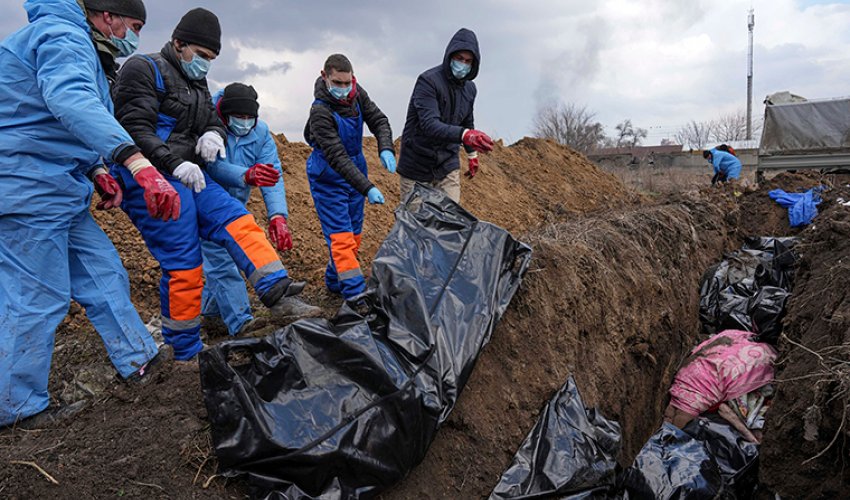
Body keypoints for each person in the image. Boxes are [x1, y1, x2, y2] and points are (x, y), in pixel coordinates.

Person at [0, 0, 181, 427]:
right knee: (37, 298)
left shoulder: (80, 45)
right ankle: (17, 407)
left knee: (103, 272)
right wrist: (136, 162)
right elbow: (70, 101)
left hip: (58, 187)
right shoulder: (64, 36)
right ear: (107, 17)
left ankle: (139, 360)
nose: (132, 35)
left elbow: (52, 121)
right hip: (25, 185)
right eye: (132, 25)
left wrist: (98, 169)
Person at [111, 8, 320, 361]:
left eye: (212, 58)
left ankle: (279, 294)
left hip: (190, 174)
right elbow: (134, 129)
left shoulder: (196, 82)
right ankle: (186, 352)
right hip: (150, 177)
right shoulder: (142, 69)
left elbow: (211, 119)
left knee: (238, 220)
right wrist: (173, 163)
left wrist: (212, 132)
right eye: (203, 55)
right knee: (185, 264)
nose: (206, 64)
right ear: (179, 44)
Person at [304, 54, 395, 304]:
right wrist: (367, 188)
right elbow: (336, 156)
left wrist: (385, 146)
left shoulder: (357, 94)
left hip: (356, 168)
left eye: (347, 83)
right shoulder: (320, 111)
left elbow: (379, 120)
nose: (343, 89)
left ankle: (335, 281)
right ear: (325, 77)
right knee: (341, 239)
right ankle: (355, 295)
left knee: (353, 235)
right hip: (329, 177)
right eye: (338, 83)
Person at [203, 83, 291, 336]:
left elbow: (272, 174)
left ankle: (211, 315)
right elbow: (210, 165)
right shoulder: (208, 125)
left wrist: (277, 215)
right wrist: (245, 175)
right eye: (238, 117)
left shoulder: (260, 132)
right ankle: (241, 324)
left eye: (249, 118)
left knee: (224, 258)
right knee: (221, 263)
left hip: (235, 206)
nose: (243, 122)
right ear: (224, 113)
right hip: (207, 203)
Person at [397, 28, 494, 204]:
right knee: (416, 225)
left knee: (450, 221)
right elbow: (430, 125)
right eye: (459, 59)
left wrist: (471, 154)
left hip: (447, 163)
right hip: (417, 163)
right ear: (450, 56)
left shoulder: (470, 89)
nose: (463, 64)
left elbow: (467, 120)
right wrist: (464, 135)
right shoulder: (428, 82)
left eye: (468, 61)